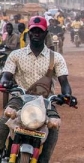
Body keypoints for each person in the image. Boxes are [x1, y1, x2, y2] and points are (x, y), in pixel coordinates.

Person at [0, 16, 76, 162]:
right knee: (6, 116)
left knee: (54, 125)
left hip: (46, 102)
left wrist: (67, 95)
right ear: (29, 33)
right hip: (19, 99)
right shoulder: (16, 55)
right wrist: (5, 82)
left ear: (45, 33)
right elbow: (6, 76)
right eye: (33, 31)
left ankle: (44, 159)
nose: (36, 34)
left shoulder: (56, 58)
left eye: (39, 31)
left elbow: (64, 82)